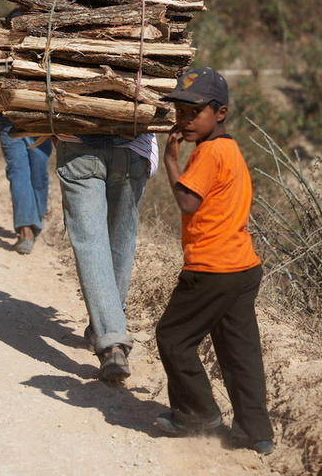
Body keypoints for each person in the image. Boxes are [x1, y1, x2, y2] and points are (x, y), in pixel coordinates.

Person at [154, 67, 274, 455]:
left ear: (219, 113)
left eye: (195, 111)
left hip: (211, 270)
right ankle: (256, 433)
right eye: (180, 112)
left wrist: (171, 160)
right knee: (240, 352)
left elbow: (188, 202)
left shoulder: (208, 153)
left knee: (173, 337)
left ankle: (198, 413)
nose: (185, 120)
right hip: (242, 267)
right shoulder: (231, 149)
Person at [56, 133, 158, 382]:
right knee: (121, 242)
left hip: (79, 147)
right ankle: (111, 328)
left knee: (91, 243)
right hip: (133, 149)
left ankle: (112, 340)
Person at [0, 113, 52, 254]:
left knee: (38, 173)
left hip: (40, 120)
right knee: (18, 171)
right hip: (11, 120)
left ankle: (36, 219)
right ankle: (26, 230)